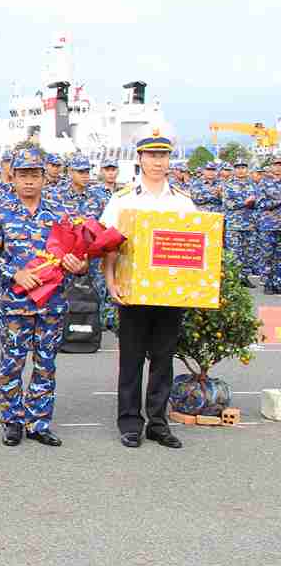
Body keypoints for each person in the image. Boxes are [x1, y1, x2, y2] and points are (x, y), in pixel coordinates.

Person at [0, 145, 88, 447]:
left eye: (34, 175)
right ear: (12, 177)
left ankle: (38, 422)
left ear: (44, 177)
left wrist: (78, 265)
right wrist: (15, 273)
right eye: (22, 175)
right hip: (15, 303)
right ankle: (12, 421)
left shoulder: (59, 215)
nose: (28, 181)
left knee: (45, 363)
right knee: (12, 363)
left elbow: (77, 254)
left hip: (51, 304)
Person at [101, 129, 195, 450]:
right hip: (132, 290)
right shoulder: (123, 199)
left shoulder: (183, 202)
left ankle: (158, 422)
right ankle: (129, 423)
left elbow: (196, 247)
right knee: (131, 358)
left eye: (163, 155)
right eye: (151, 155)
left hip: (171, 293)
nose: (157, 161)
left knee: (163, 358)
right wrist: (110, 280)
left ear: (170, 159)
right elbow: (109, 245)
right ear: (139, 159)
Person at [222, 158, 257, 278]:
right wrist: (245, 202)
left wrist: (254, 203)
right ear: (234, 170)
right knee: (234, 253)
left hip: (250, 224)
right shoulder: (229, 185)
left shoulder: (253, 184)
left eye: (243, 167)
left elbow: (259, 202)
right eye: (238, 167)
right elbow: (228, 204)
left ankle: (244, 277)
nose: (241, 170)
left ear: (247, 169)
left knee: (248, 252)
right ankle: (234, 278)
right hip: (234, 224)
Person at [256, 155, 281, 295]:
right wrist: (277, 201)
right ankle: (267, 283)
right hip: (268, 225)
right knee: (267, 255)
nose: (278, 167)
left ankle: (278, 282)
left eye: (280, 165)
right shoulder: (264, 183)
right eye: (276, 165)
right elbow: (260, 204)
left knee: (279, 256)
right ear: (271, 167)